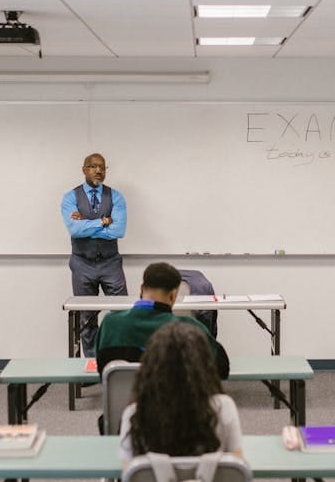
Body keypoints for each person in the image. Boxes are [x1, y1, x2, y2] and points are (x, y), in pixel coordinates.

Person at [118, 320, 242, 463]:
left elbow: (129, 475)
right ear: (205, 365)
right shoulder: (223, 408)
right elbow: (236, 468)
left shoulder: (134, 414)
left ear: (150, 367)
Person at [96, 261, 229, 379]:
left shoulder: (110, 324)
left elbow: (102, 370)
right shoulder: (190, 328)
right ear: (173, 295)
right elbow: (222, 369)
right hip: (174, 405)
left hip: (127, 405)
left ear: (141, 289)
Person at [61, 152, 128, 356]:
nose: (98, 170)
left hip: (110, 263)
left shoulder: (115, 196)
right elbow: (75, 230)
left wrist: (86, 223)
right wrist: (103, 221)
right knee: (86, 317)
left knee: (122, 313)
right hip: (82, 263)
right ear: (84, 169)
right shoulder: (70, 197)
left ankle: (120, 359)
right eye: (93, 166)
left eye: (102, 167)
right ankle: (90, 363)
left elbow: (119, 231)